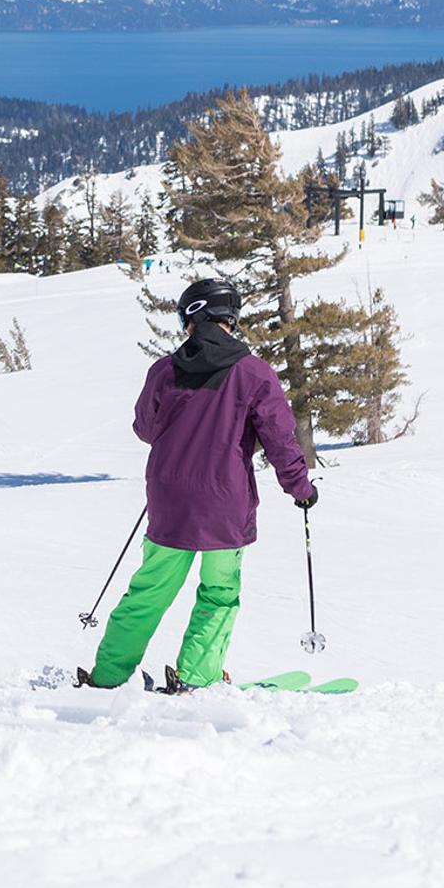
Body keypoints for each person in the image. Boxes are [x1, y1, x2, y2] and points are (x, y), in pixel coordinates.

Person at [78, 279, 316, 693]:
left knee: (149, 591)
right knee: (219, 593)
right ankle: (196, 675)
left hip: (170, 499)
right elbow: (279, 438)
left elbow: (145, 427)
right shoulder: (254, 373)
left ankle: (109, 675)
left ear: (193, 316)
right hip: (225, 505)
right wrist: (299, 487)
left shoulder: (164, 370)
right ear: (230, 318)